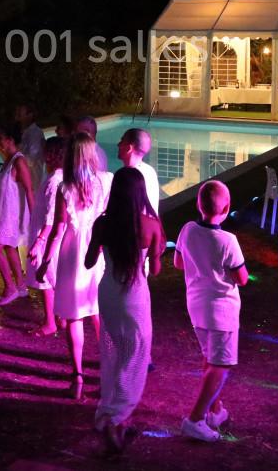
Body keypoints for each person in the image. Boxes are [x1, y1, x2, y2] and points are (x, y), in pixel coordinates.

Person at [86, 167, 164, 454]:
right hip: (134, 295)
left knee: (112, 352)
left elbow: (88, 262)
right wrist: (151, 256)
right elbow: (154, 270)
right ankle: (116, 419)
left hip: (107, 292)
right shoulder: (151, 225)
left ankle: (109, 412)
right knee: (135, 356)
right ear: (140, 193)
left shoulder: (103, 224)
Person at [36, 133, 112, 396]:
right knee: (98, 312)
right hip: (96, 249)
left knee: (74, 315)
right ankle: (107, 373)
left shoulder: (65, 187)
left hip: (71, 254)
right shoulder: (106, 181)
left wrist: (45, 263)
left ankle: (77, 377)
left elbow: (58, 230)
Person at [174, 180, 249, 443]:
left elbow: (178, 262)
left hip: (196, 306)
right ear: (227, 207)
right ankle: (194, 419)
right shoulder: (228, 240)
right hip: (221, 311)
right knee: (220, 365)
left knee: (209, 357)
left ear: (198, 204)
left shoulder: (187, 230)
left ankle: (214, 410)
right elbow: (242, 278)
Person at [26, 136, 66, 336]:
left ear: (51, 156)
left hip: (47, 236)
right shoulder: (62, 178)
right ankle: (60, 317)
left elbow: (50, 217)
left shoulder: (54, 181)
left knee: (46, 281)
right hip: (51, 236)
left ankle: (50, 321)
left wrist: (39, 242)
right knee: (53, 279)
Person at [0, 123, 34, 306]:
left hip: (12, 215)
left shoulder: (19, 161)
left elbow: (29, 190)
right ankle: (21, 285)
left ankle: (10, 287)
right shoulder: (8, 159)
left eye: (1, 138)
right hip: (4, 211)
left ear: (9, 140)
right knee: (9, 247)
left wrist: (34, 218)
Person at [117, 127, 159, 215]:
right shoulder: (150, 171)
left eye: (122, 140)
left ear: (129, 148)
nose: (118, 144)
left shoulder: (129, 178)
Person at [15, 103, 46, 178]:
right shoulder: (23, 133)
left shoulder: (35, 133)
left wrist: (14, 151)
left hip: (32, 181)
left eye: (20, 114)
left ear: (30, 115)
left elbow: (31, 160)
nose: (17, 117)